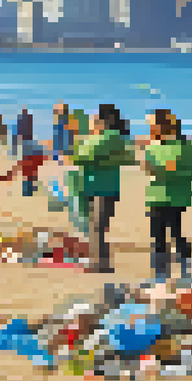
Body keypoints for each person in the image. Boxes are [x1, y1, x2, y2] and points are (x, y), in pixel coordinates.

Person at [71, 103, 136, 274]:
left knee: (97, 228)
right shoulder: (109, 138)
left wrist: (82, 147)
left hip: (102, 187)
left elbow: (82, 155)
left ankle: (100, 264)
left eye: (94, 117)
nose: (91, 120)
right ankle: (100, 262)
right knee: (96, 227)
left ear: (104, 120)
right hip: (97, 186)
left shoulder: (110, 137)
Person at [143, 109, 192, 282]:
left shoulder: (185, 147)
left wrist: (167, 171)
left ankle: (185, 273)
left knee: (176, 233)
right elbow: (151, 170)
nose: (151, 129)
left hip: (176, 197)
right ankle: (159, 275)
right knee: (157, 236)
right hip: (155, 196)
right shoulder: (152, 146)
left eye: (153, 125)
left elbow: (190, 173)